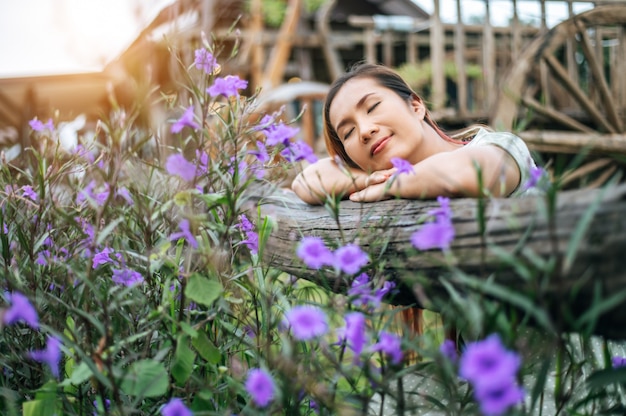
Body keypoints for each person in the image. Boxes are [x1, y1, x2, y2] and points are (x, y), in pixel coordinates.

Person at [291, 63, 538, 205]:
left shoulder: (501, 146)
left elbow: (468, 173)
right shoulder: (378, 180)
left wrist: (390, 184)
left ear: (416, 106)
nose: (365, 131)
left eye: (373, 107)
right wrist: (366, 180)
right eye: (348, 132)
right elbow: (304, 182)